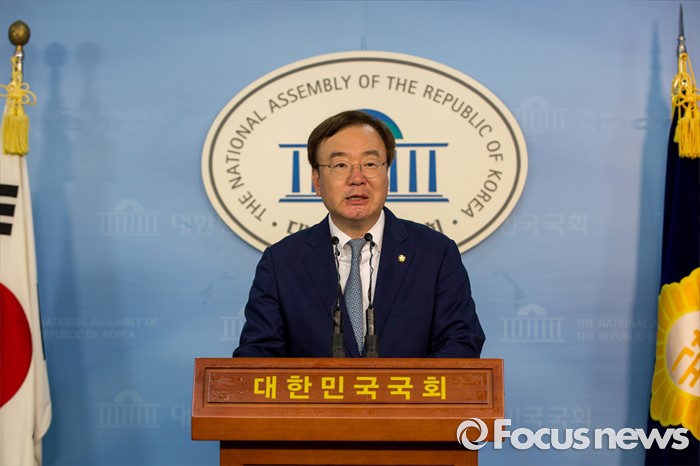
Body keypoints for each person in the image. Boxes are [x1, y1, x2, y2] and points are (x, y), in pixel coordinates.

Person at [232, 110, 485, 358]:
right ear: (317, 181)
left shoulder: (435, 254)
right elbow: (257, 357)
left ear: (387, 175)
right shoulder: (281, 262)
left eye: (370, 164)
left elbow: (460, 345)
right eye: (340, 165)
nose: (357, 178)